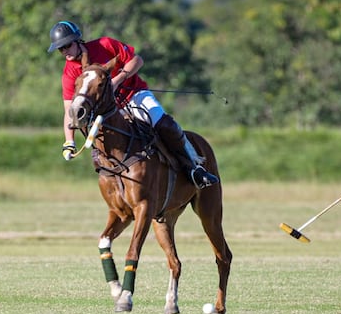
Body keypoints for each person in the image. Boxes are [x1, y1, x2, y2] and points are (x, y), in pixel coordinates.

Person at [47, 20, 219, 189]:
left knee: (164, 124)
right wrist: (69, 141)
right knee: (101, 148)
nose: (64, 52)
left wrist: (117, 80)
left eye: (67, 46)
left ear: (77, 40)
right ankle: (116, 189)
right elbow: (70, 109)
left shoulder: (105, 44)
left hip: (134, 95)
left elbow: (137, 60)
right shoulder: (69, 72)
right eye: (60, 49)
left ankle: (194, 169)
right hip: (109, 113)